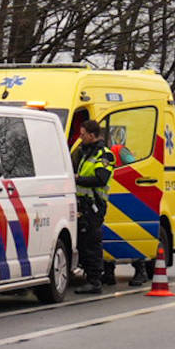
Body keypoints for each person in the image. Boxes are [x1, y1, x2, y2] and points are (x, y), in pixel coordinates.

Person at [71, 117, 116, 294]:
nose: (80, 138)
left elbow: (100, 179)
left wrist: (77, 179)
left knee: (92, 242)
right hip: (83, 204)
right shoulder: (85, 152)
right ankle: (90, 276)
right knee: (83, 242)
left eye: (83, 135)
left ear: (92, 135)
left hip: (94, 205)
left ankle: (95, 281)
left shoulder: (104, 154)